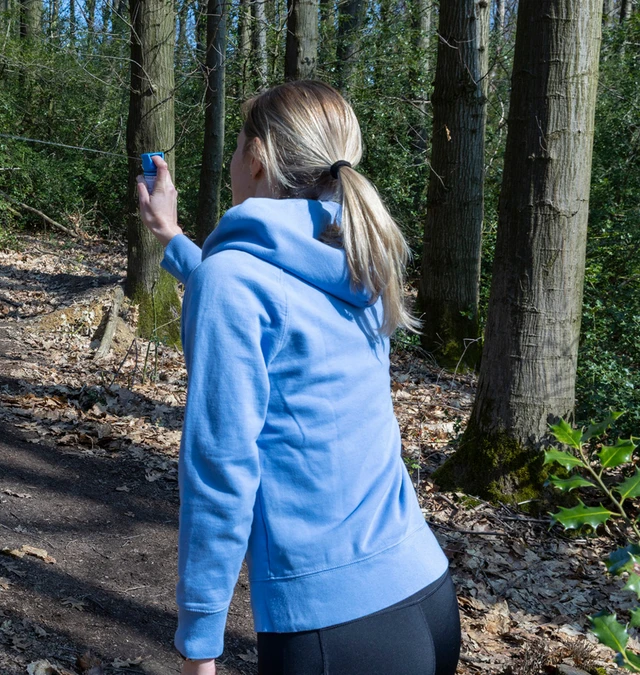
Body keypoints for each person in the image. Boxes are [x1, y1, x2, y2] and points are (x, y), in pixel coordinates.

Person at [136, 80, 462, 675]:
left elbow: (219, 469)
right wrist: (174, 239)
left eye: (237, 147)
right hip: (425, 593)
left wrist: (200, 641)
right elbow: (270, 303)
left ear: (256, 159)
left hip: (334, 630)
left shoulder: (236, 280)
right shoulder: (357, 256)